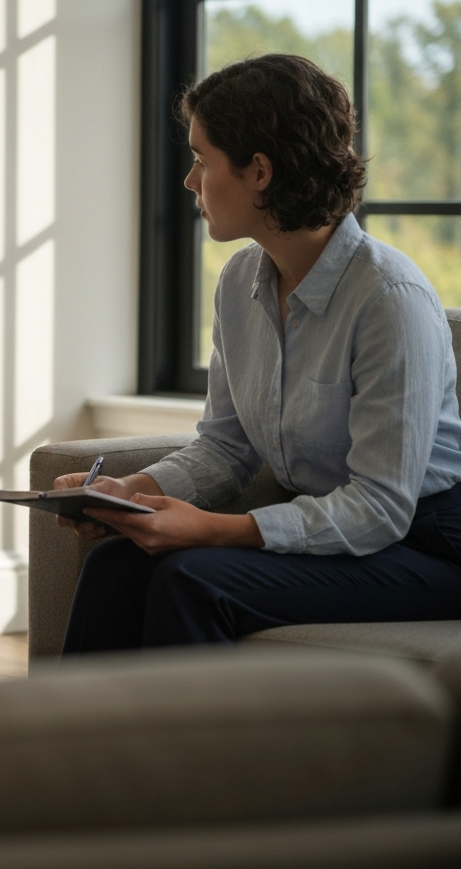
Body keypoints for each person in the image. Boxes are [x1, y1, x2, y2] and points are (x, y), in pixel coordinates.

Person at [60, 53, 461, 652]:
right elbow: (227, 447)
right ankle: (70, 745)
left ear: (260, 172)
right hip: (350, 532)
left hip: (428, 547)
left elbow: (380, 507)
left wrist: (220, 530)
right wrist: (133, 489)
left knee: (191, 580)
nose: (190, 181)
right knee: (114, 566)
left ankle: (197, 749)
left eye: (201, 161)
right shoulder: (240, 281)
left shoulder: (388, 299)